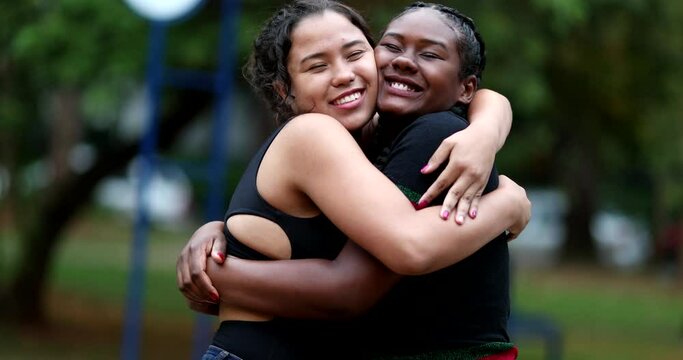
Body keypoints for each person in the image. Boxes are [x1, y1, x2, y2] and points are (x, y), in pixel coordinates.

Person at [177, 1, 530, 359]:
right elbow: (406, 248)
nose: (344, 74)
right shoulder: (313, 134)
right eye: (317, 66)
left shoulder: (373, 143)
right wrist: (506, 205)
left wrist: (488, 125)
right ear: (286, 90)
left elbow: (481, 100)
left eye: (355, 53)